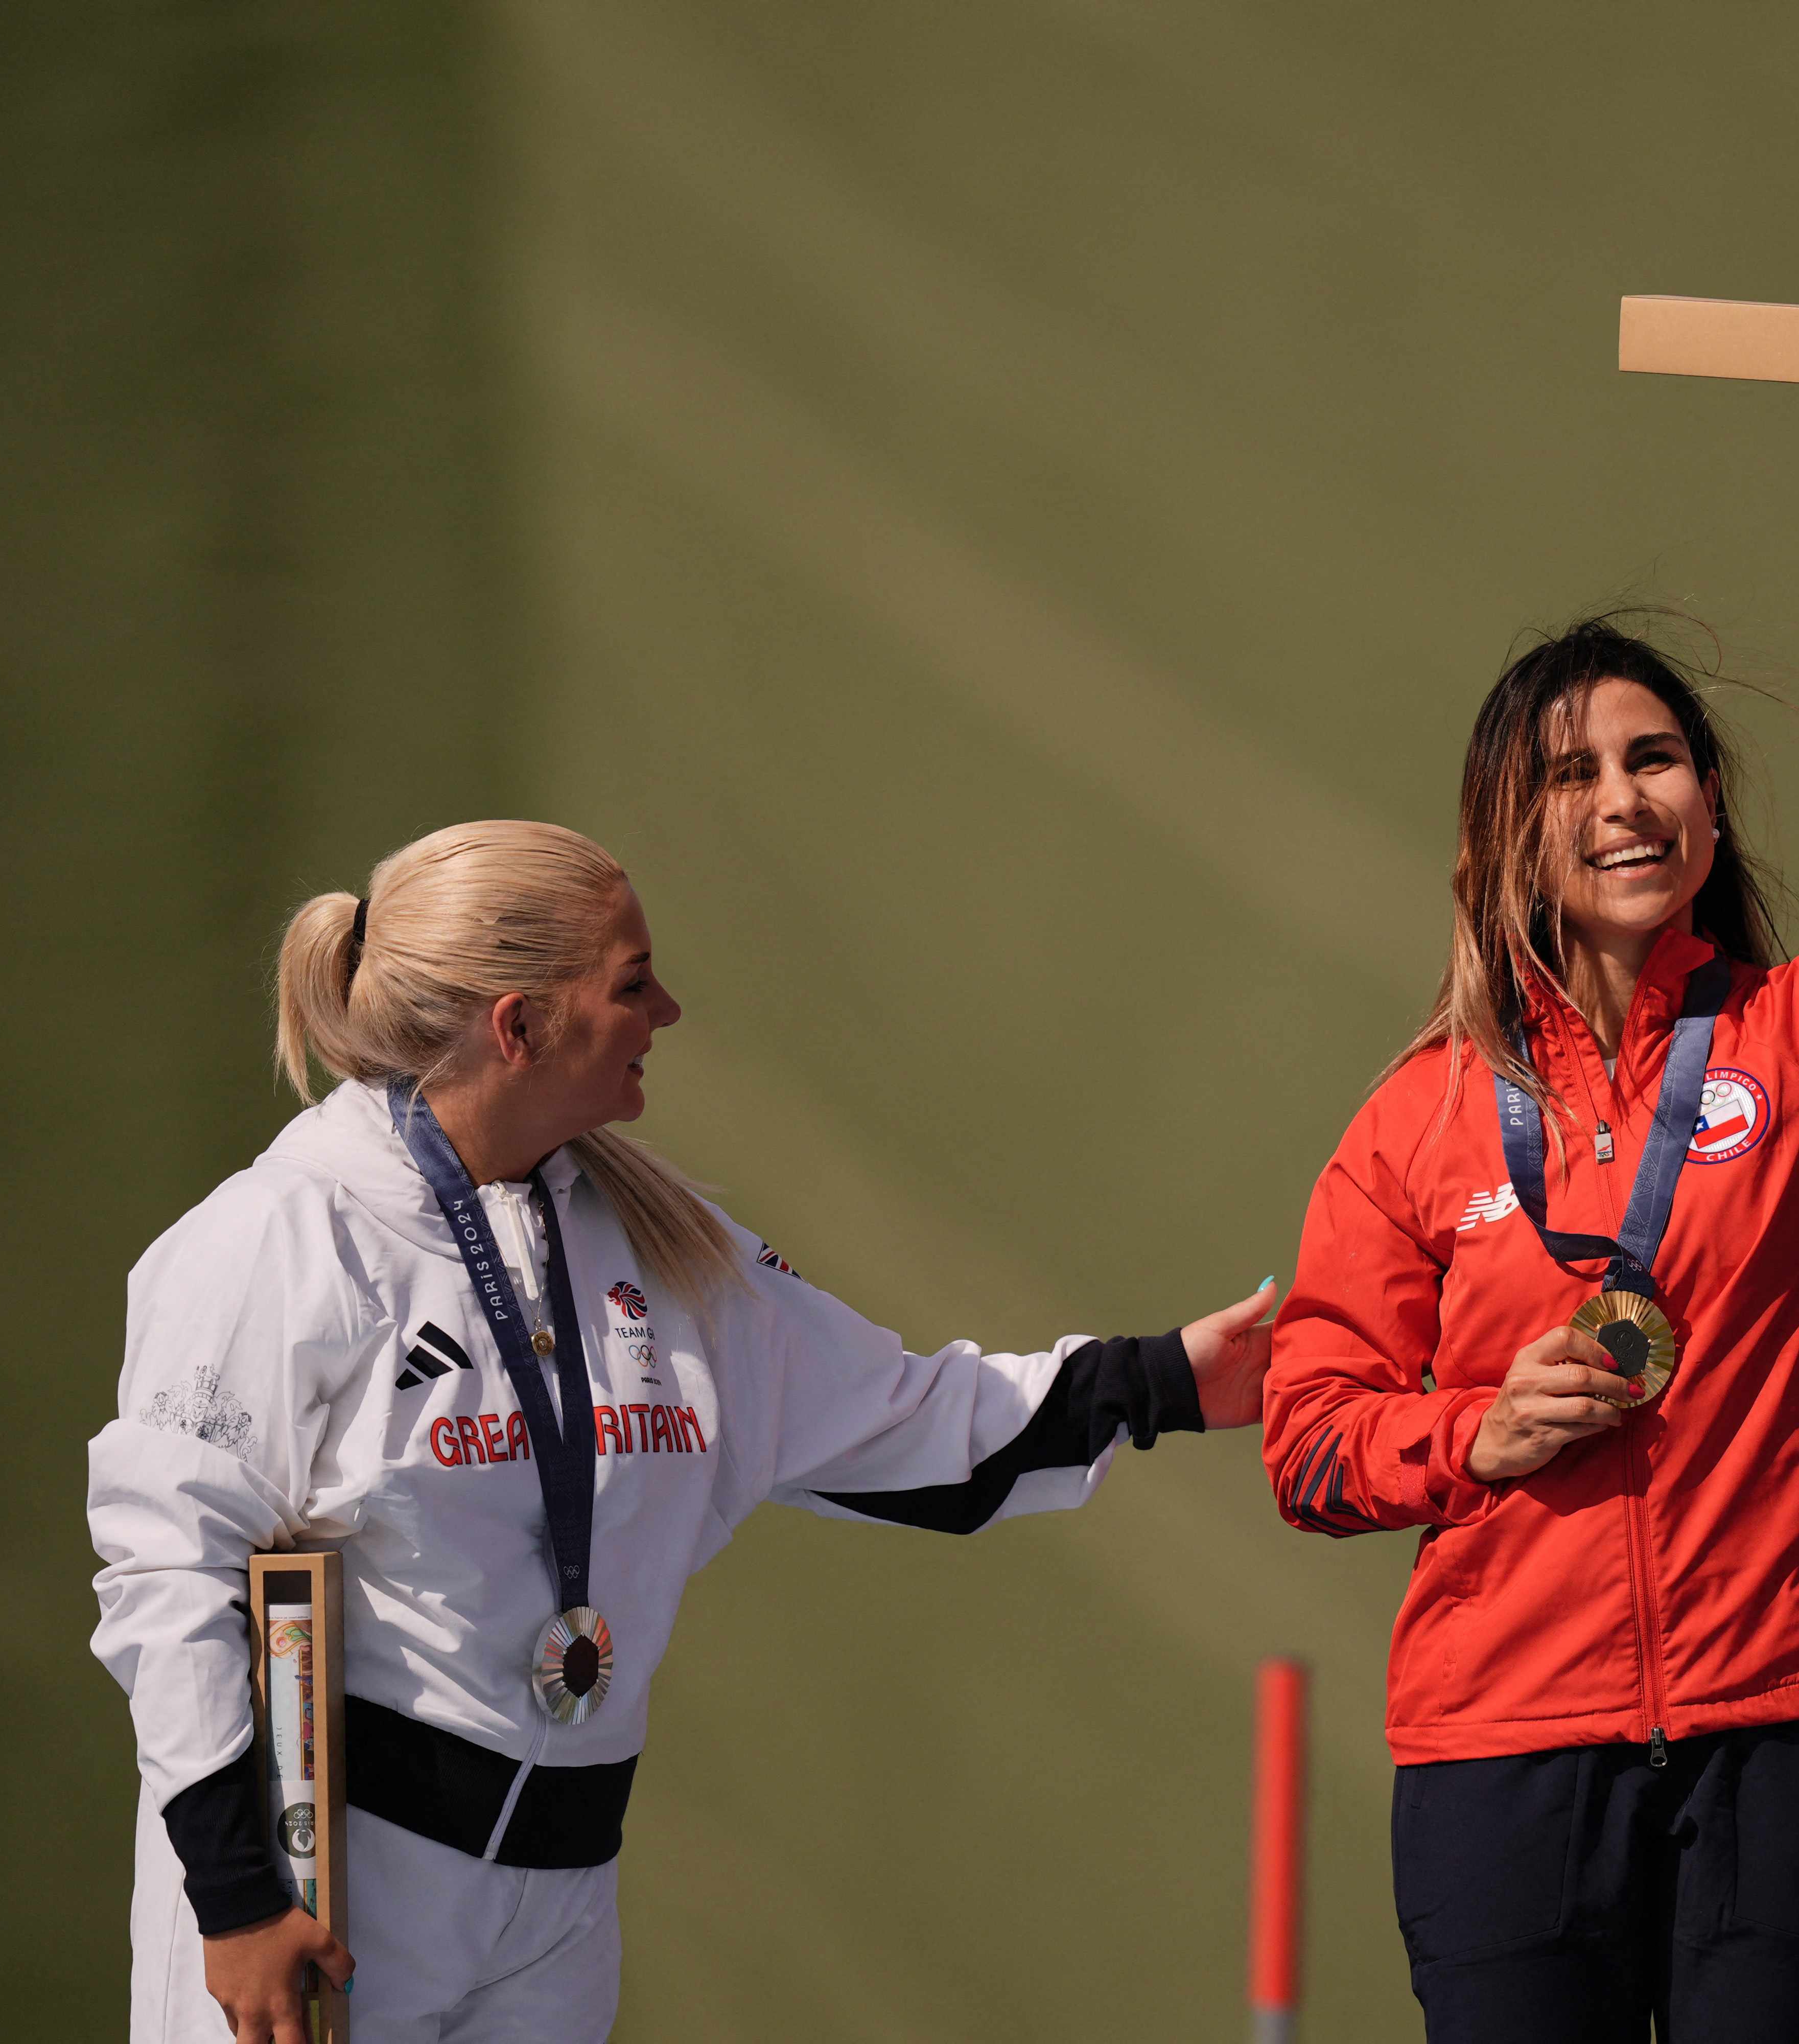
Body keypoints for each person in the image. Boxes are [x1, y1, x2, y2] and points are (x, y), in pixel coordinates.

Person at [89, 819, 1275, 2044]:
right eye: (632, 981)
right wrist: (234, 1900)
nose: (669, 1010)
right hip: (331, 1895)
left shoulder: (660, 1238)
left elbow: (911, 1422)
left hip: (558, 1907)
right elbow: (169, 1577)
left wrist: (1172, 1379)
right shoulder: (283, 1236)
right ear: (519, 1025)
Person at [1262, 304, 1799, 2040]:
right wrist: (1467, 1433)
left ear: (1708, 798)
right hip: (1502, 1758)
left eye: (1657, 757)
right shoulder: (1419, 1121)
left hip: (1793, 1724)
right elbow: (1311, 1438)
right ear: (1503, 840)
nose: (1626, 799)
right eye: (1573, 775)